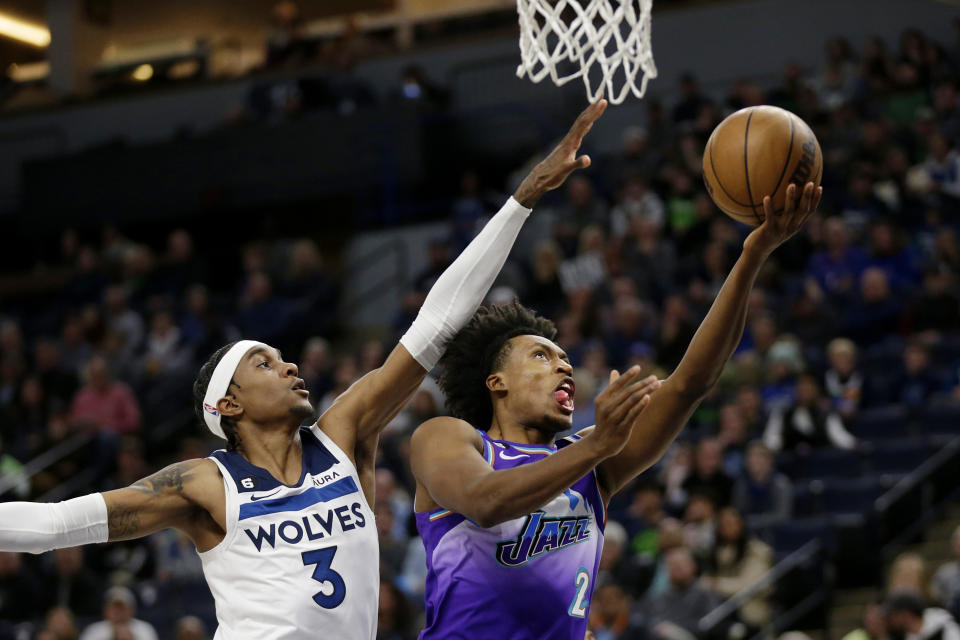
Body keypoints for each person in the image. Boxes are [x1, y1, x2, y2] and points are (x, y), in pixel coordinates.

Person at [0, 100, 610, 640]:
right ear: (228, 406)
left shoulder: (342, 438)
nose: (288, 365)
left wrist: (520, 201)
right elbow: (53, 523)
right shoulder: (204, 484)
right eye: (263, 363)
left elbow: (435, 327)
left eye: (282, 356)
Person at [410, 181, 822, 638]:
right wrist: (598, 445)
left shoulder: (592, 464)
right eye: (541, 357)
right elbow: (486, 502)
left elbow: (690, 384)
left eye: (565, 358)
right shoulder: (447, 436)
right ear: (496, 383)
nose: (563, 366)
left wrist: (752, 256)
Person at [79, 586, 158, 640]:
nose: (118, 612)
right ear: (105, 610)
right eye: (115, 608)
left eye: (122, 608)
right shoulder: (94, 630)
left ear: (132, 610)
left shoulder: (145, 628)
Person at [884, 589, 960, 640]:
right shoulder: (907, 636)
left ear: (906, 614)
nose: (891, 619)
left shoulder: (943, 625)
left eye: (894, 614)